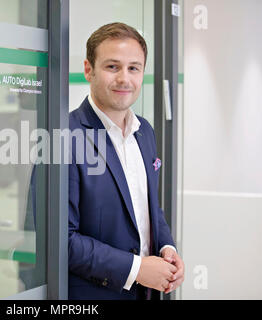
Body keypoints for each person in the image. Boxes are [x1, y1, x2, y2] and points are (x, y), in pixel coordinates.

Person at [68, 22, 185, 300]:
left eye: (134, 68)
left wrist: (168, 248)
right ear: (88, 70)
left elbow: (148, 207)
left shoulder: (144, 131)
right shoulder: (64, 137)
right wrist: (137, 268)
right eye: (112, 67)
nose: (125, 78)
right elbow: (61, 240)